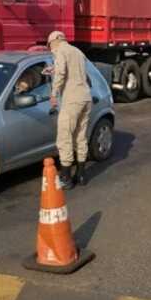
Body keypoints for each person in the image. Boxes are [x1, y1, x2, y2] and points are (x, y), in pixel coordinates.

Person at [47, 30, 93, 189]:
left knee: (64, 137)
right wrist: (53, 69)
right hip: (86, 97)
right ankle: (81, 174)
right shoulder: (77, 51)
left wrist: (54, 94)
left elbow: (61, 73)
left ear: (55, 41)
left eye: (49, 45)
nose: (50, 48)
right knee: (80, 136)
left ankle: (66, 177)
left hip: (72, 99)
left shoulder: (61, 51)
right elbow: (83, 74)